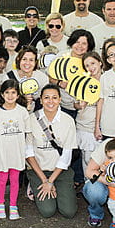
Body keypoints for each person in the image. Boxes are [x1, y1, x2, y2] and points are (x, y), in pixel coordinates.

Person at [25, 84, 78, 218]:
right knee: (48, 211)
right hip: (38, 170)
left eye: (54, 97)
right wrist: (44, 180)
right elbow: (28, 153)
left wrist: (51, 181)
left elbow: (66, 156)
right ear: (41, 100)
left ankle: (59, 187)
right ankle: (33, 185)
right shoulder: (31, 119)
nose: (50, 101)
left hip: (60, 170)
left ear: (60, 99)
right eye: (46, 98)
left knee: (69, 212)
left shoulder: (68, 121)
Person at [0, 79, 30, 220]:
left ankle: (13, 205)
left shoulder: (22, 112)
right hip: (2, 152)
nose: (10, 96)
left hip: (17, 152)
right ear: (2, 95)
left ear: (18, 95)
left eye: (13, 92)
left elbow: (27, 133)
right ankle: (0, 204)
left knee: (15, 178)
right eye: (7, 92)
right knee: (2, 179)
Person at [75, 52, 103, 170]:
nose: (90, 68)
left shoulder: (107, 80)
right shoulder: (83, 82)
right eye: (87, 65)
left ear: (100, 63)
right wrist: (80, 104)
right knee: (86, 160)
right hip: (84, 127)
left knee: (98, 161)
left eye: (93, 63)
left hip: (101, 127)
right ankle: (88, 186)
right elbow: (75, 104)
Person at [8, 46, 49, 111]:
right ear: (18, 59)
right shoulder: (9, 77)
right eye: (24, 59)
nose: (27, 63)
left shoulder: (43, 78)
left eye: (31, 60)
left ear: (35, 62)